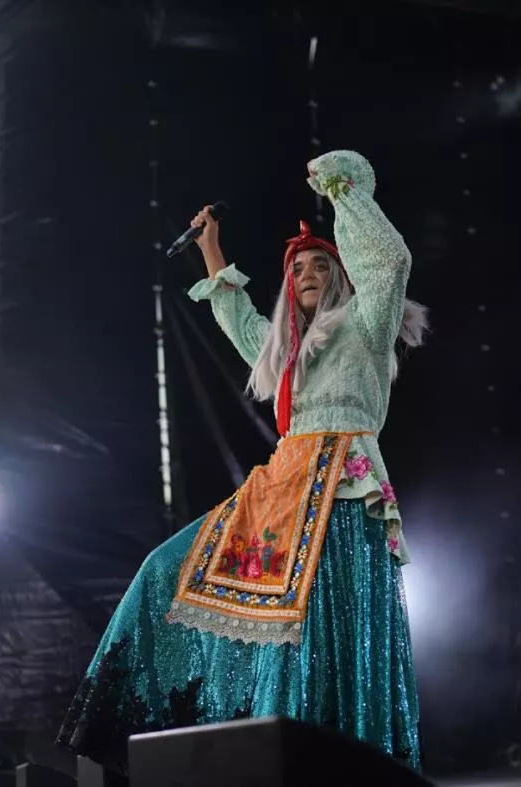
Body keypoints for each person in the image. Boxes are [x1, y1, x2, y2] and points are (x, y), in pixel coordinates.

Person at [56, 150, 428, 777]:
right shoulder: (283, 352)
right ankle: (147, 730)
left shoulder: (366, 325)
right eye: (298, 267)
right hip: (283, 491)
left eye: (320, 264)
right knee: (167, 570)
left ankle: (346, 760)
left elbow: (389, 263)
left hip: (342, 486)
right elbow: (237, 317)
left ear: (341, 276)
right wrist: (210, 247)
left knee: (325, 624)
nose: (307, 272)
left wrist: (342, 191)